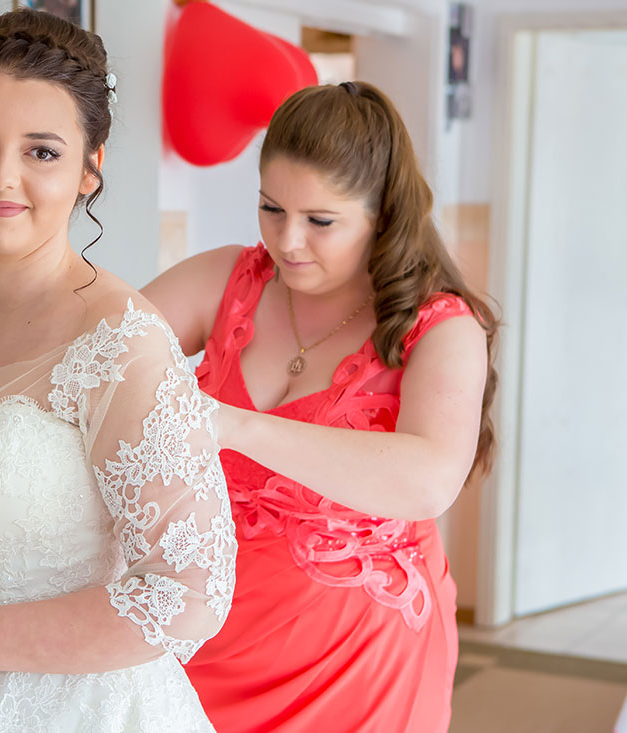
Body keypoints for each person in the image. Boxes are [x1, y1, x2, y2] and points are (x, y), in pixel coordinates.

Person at [0, 9, 235, 731]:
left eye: (42, 151)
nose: (1, 176)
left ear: (92, 168)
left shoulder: (122, 343)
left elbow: (187, 591)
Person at [142, 81, 498, 733]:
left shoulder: (441, 329)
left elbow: (428, 480)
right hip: (205, 634)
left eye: (320, 220)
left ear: (383, 213)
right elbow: (96, 360)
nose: (289, 240)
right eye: (271, 209)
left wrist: (233, 425)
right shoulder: (226, 279)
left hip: (356, 666)